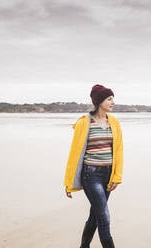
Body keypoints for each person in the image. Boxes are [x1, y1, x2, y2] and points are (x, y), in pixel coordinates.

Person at [63, 84, 124, 248]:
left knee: (95, 216)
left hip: (108, 174)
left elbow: (118, 151)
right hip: (91, 176)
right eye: (109, 99)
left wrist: (116, 177)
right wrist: (69, 182)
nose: (113, 102)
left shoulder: (115, 123)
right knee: (104, 217)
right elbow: (74, 154)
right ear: (99, 101)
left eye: (112, 99)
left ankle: (84, 246)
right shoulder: (85, 123)